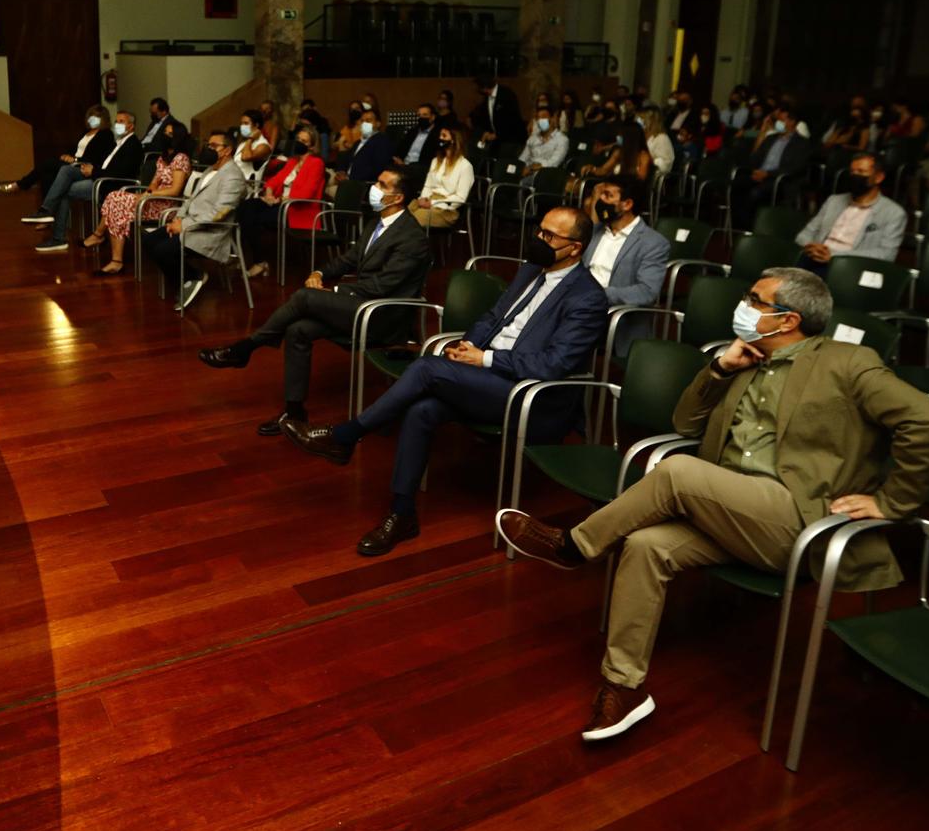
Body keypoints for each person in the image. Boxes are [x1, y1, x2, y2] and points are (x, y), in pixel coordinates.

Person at [495, 267, 929, 742]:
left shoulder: (847, 362)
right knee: (645, 545)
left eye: (755, 300)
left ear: (788, 320)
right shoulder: (744, 359)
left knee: (675, 471)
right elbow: (685, 421)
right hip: (726, 510)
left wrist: (892, 501)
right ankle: (623, 686)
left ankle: (573, 546)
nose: (744, 305)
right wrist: (718, 370)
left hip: (793, 523)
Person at [284, 208, 607, 556]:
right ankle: (402, 513)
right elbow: (495, 316)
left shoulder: (588, 298)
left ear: (575, 248)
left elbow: (554, 365)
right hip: (487, 375)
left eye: (549, 236)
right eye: (539, 231)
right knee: (423, 409)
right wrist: (465, 346)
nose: (538, 240)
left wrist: (484, 358)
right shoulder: (531, 269)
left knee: (425, 370)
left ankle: (346, 436)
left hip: (530, 395)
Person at [200, 168, 431, 436]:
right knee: (298, 330)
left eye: (382, 184)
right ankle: (294, 412)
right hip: (359, 305)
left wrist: (333, 290)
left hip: (381, 316)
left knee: (304, 297)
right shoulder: (377, 222)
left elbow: (384, 287)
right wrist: (319, 273)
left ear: (398, 197)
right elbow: (349, 258)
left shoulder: (412, 237)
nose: (374, 188)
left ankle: (247, 347)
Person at [143, 129, 250, 309]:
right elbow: (190, 200)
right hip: (191, 224)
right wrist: (178, 220)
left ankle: (192, 278)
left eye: (214, 146)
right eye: (208, 145)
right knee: (149, 241)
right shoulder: (210, 170)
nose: (209, 148)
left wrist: (184, 226)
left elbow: (219, 213)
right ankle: (190, 279)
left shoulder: (233, 176)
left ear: (227, 150)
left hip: (210, 232)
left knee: (163, 250)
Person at [88, 121, 190, 275]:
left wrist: (149, 195)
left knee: (117, 201)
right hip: (152, 201)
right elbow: (154, 183)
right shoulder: (164, 158)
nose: (166, 136)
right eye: (165, 133)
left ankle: (102, 240)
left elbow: (175, 190)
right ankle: (113, 256)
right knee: (114, 197)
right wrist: (147, 193)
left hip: (167, 206)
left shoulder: (181, 158)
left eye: (170, 134)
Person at [35, 109, 142, 253]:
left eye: (121, 122)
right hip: (101, 178)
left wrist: (94, 171)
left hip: (111, 185)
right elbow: (106, 164)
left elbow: (122, 172)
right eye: (116, 121)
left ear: (131, 126)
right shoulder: (119, 142)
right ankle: (50, 220)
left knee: (65, 183)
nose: (117, 124)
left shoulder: (133, 144)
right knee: (64, 173)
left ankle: (52, 224)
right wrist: (93, 169)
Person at [580, 175, 667, 331]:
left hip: (611, 313)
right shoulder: (595, 231)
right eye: (601, 194)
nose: (601, 199)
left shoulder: (653, 243)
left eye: (608, 195)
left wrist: (598, 294)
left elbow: (646, 292)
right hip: (579, 305)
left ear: (627, 204)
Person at [238, 123, 325, 275]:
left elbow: (307, 193)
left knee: (254, 217)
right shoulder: (292, 161)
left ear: (312, 146)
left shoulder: (316, 163)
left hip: (297, 210)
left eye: (304, 141)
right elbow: (273, 181)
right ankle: (258, 261)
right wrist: (270, 194)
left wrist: (281, 199)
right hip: (280, 204)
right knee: (246, 207)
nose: (299, 143)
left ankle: (259, 262)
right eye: (298, 139)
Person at [795, 152, 906, 268]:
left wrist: (834, 256)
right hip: (814, 257)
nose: (855, 176)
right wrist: (811, 246)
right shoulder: (834, 201)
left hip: (850, 267)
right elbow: (806, 233)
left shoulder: (893, 213)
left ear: (878, 177)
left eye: (861, 172)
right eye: (852, 172)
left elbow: (887, 254)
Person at [20, 105, 112, 225]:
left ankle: (25, 186)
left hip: (83, 166)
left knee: (48, 164)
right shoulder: (86, 132)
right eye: (90, 116)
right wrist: (68, 156)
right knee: (47, 174)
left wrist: (75, 159)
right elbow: (76, 149)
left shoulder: (106, 134)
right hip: (73, 163)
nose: (91, 119)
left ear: (103, 119)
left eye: (95, 117)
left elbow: (97, 158)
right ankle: (47, 216)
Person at [737, 103, 812, 226]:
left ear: (792, 122)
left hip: (778, 179)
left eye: (782, 120)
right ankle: (737, 228)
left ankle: (751, 228)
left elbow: (795, 168)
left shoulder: (801, 143)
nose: (778, 123)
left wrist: (767, 174)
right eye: (778, 120)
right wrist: (755, 171)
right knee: (736, 185)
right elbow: (754, 159)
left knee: (755, 194)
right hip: (758, 175)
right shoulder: (770, 138)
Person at [409, 126, 474, 229]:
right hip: (429, 200)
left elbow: (461, 198)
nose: (440, 138)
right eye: (440, 135)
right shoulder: (436, 161)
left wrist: (433, 203)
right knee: (402, 215)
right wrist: (423, 199)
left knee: (414, 219)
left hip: (447, 209)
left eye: (444, 136)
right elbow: (428, 186)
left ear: (453, 140)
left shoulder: (465, 166)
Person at [342, 110, 393, 184]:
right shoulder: (358, 142)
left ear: (378, 124)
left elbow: (378, 169)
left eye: (368, 121)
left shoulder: (382, 141)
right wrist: (341, 171)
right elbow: (347, 160)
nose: (364, 123)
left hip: (360, 184)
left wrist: (350, 179)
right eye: (362, 121)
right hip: (346, 180)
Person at [470, 75, 521, 148]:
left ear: (484, 87)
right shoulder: (486, 98)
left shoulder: (507, 94)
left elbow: (513, 119)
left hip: (510, 141)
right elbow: (485, 119)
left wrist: (498, 135)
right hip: (494, 141)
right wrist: (485, 133)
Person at [518, 107, 569, 176]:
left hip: (546, 174)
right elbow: (522, 158)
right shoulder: (533, 138)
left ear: (552, 118)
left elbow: (554, 162)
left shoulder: (562, 139)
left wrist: (532, 168)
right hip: (526, 172)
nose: (540, 120)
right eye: (538, 118)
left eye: (544, 117)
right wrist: (520, 168)